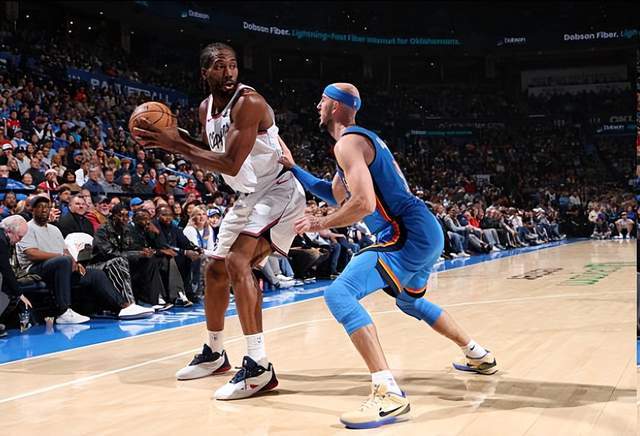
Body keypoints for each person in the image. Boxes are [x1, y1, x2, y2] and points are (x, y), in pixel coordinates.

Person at [281, 83, 497, 429]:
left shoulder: (347, 143)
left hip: (405, 233)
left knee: (339, 294)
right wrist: (294, 168)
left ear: (335, 106)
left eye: (322, 100)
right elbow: (335, 194)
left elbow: (363, 204)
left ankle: (388, 394)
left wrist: (319, 222)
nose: (317, 106)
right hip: (424, 230)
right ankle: (478, 354)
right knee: (410, 302)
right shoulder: (356, 144)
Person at [134, 42, 306, 399]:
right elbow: (209, 149)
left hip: (278, 190)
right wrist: (171, 138)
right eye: (219, 66)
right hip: (249, 195)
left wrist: (176, 145)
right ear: (205, 72)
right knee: (214, 270)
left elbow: (229, 162)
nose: (228, 72)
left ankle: (258, 367)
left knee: (238, 261)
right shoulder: (205, 109)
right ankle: (215, 353)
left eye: (232, 65)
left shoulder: (249, 102)